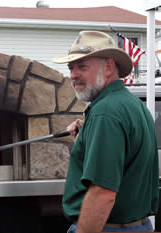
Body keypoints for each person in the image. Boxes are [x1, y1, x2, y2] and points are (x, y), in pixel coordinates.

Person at [52, 31, 159, 233]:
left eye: (82, 66)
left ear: (109, 66)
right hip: (139, 226)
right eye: (71, 68)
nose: (73, 75)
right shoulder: (134, 104)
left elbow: (103, 193)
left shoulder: (105, 113)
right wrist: (85, 138)